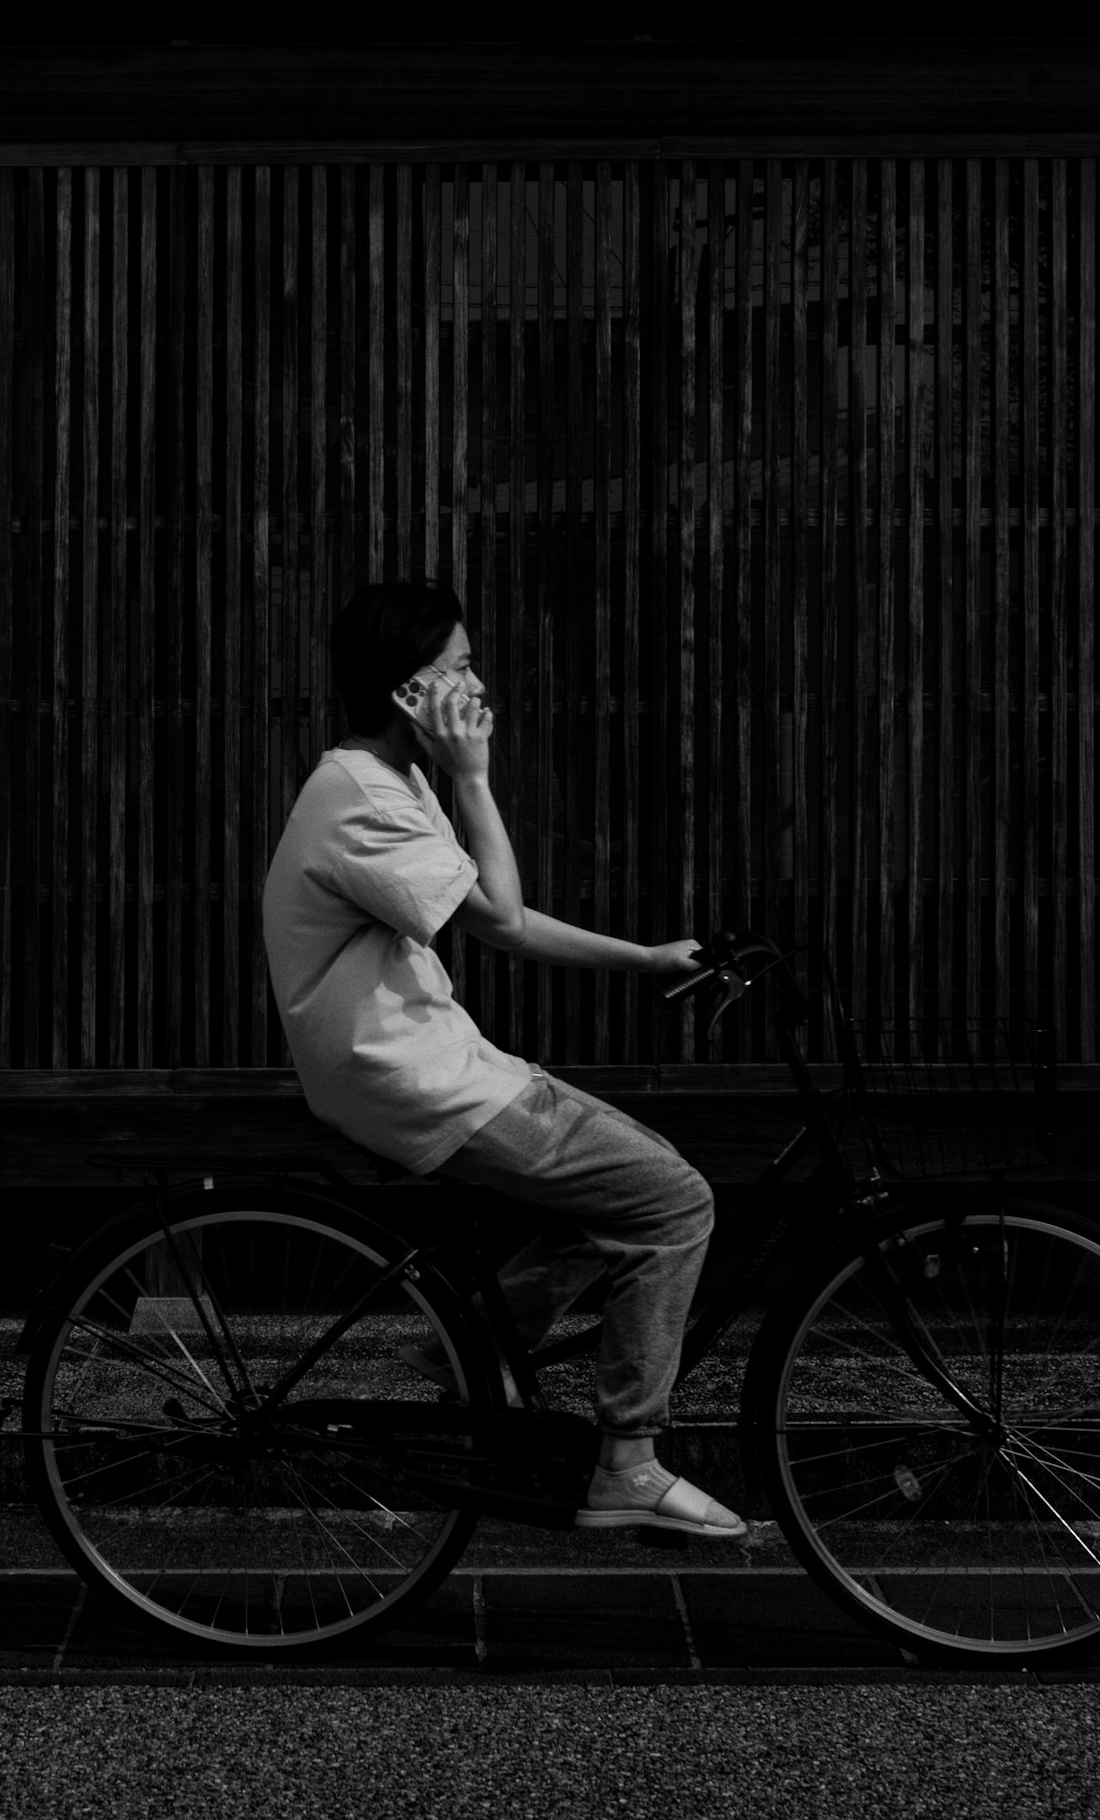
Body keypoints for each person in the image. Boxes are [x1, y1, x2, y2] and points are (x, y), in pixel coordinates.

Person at [257, 577, 746, 1540]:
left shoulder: (389, 780)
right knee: (675, 1201)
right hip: (416, 1079)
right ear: (410, 693)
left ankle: (469, 1345)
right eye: (460, 668)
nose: (479, 686)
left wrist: (645, 959)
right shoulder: (362, 795)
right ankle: (628, 1464)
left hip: (433, 1063)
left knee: (627, 1202)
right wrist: (476, 777)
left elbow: (503, 923)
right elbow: (503, 918)